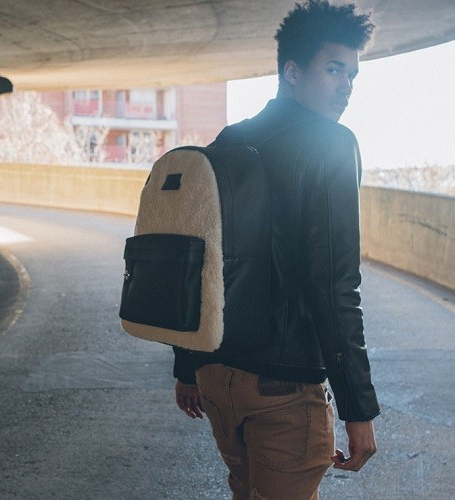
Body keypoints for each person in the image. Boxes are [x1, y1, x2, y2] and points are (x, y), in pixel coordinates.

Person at [172, 1, 380, 498]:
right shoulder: (332, 143)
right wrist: (358, 409)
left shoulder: (229, 139)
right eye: (334, 70)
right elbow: (334, 285)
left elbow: (196, 256)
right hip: (282, 391)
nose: (346, 86)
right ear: (292, 71)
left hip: (218, 376)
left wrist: (187, 365)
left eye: (352, 74)